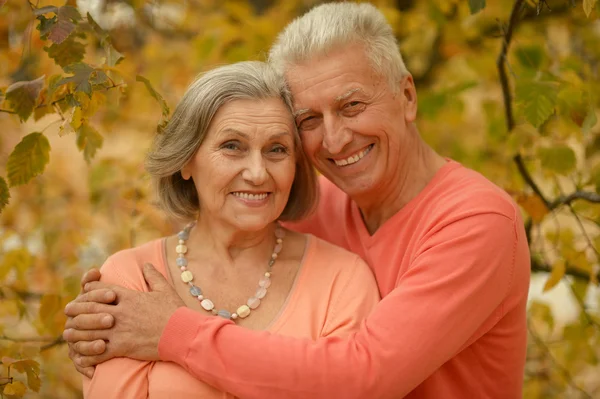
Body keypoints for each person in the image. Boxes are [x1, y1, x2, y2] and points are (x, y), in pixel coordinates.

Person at [64, 3, 531, 398]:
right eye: (309, 118)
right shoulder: (309, 203)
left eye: (352, 105)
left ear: (407, 96)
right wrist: (100, 321)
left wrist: (170, 332)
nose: (335, 138)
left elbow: (363, 375)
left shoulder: (477, 221)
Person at [77, 60, 380, 398]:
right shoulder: (130, 277)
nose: (257, 173)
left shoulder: (343, 282)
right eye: (232, 146)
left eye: (276, 150)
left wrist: (174, 333)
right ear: (187, 160)